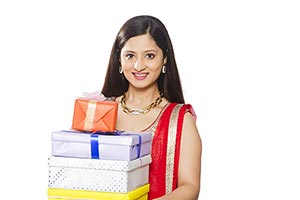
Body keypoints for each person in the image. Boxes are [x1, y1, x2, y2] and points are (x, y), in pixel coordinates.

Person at [101, 15, 202, 200]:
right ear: (119, 59)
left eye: (150, 55)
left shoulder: (179, 120)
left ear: (164, 59)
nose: (139, 66)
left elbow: (190, 187)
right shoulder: (100, 111)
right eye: (130, 56)